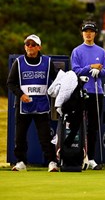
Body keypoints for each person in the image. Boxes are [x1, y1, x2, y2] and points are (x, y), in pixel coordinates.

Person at [6, 34, 59, 172]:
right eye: (27, 44)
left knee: (45, 136)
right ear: (25, 47)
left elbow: (57, 79)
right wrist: (21, 95)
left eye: (33, 44)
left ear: (39, 47)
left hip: (42, 105)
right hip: (24, 106)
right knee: (20, 136)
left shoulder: (47, 62)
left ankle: (52, 162)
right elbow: (10, 83)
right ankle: (21, 162)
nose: (30, 47)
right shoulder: (18, 62)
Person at [70, 20, 105, 170]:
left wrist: (99, 71)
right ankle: (76, 156)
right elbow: (75, 71)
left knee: (93, 127)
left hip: (96, 92)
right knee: (77, 125)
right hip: (81, 91)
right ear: (82, 33)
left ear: (95, 34)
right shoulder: (77, 51)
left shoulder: (101, 51)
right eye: (86, 31)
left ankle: (91, 158)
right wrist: (90, 67)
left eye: (91, 31)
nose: (88, 34)